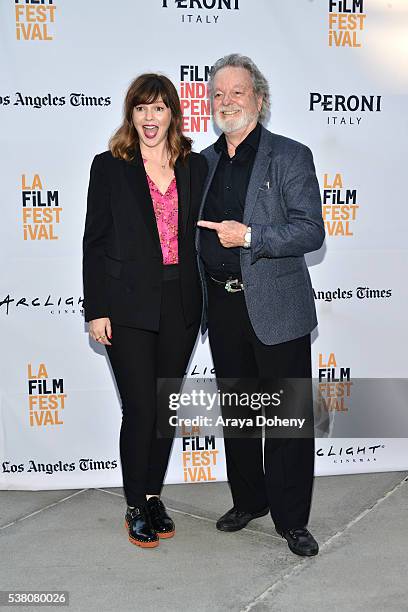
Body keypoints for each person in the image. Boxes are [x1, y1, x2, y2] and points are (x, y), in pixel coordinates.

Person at [197, 54, 325, 557]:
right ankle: (249, 500)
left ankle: (293, 521)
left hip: (279, 308)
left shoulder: (290, 156)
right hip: (223, 310)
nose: (226, 101)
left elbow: (311, 230)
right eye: (218, 94)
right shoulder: (201, 163)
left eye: (237, 92)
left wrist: (249, 236)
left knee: (288, 420)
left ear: (260, 100)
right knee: (240, 415)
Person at [83, 73, 207, 548]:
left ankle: (154, 494)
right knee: (139, 408)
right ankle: (135, 503)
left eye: (158, 108)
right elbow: (94, 244)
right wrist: (97, 309)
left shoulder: (194, 166)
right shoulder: (110, 166)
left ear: (173, 113)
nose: (149, 118)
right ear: (130, 115)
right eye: (141, 109)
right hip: (127, 305)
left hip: (181, 303)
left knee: (163, 410)